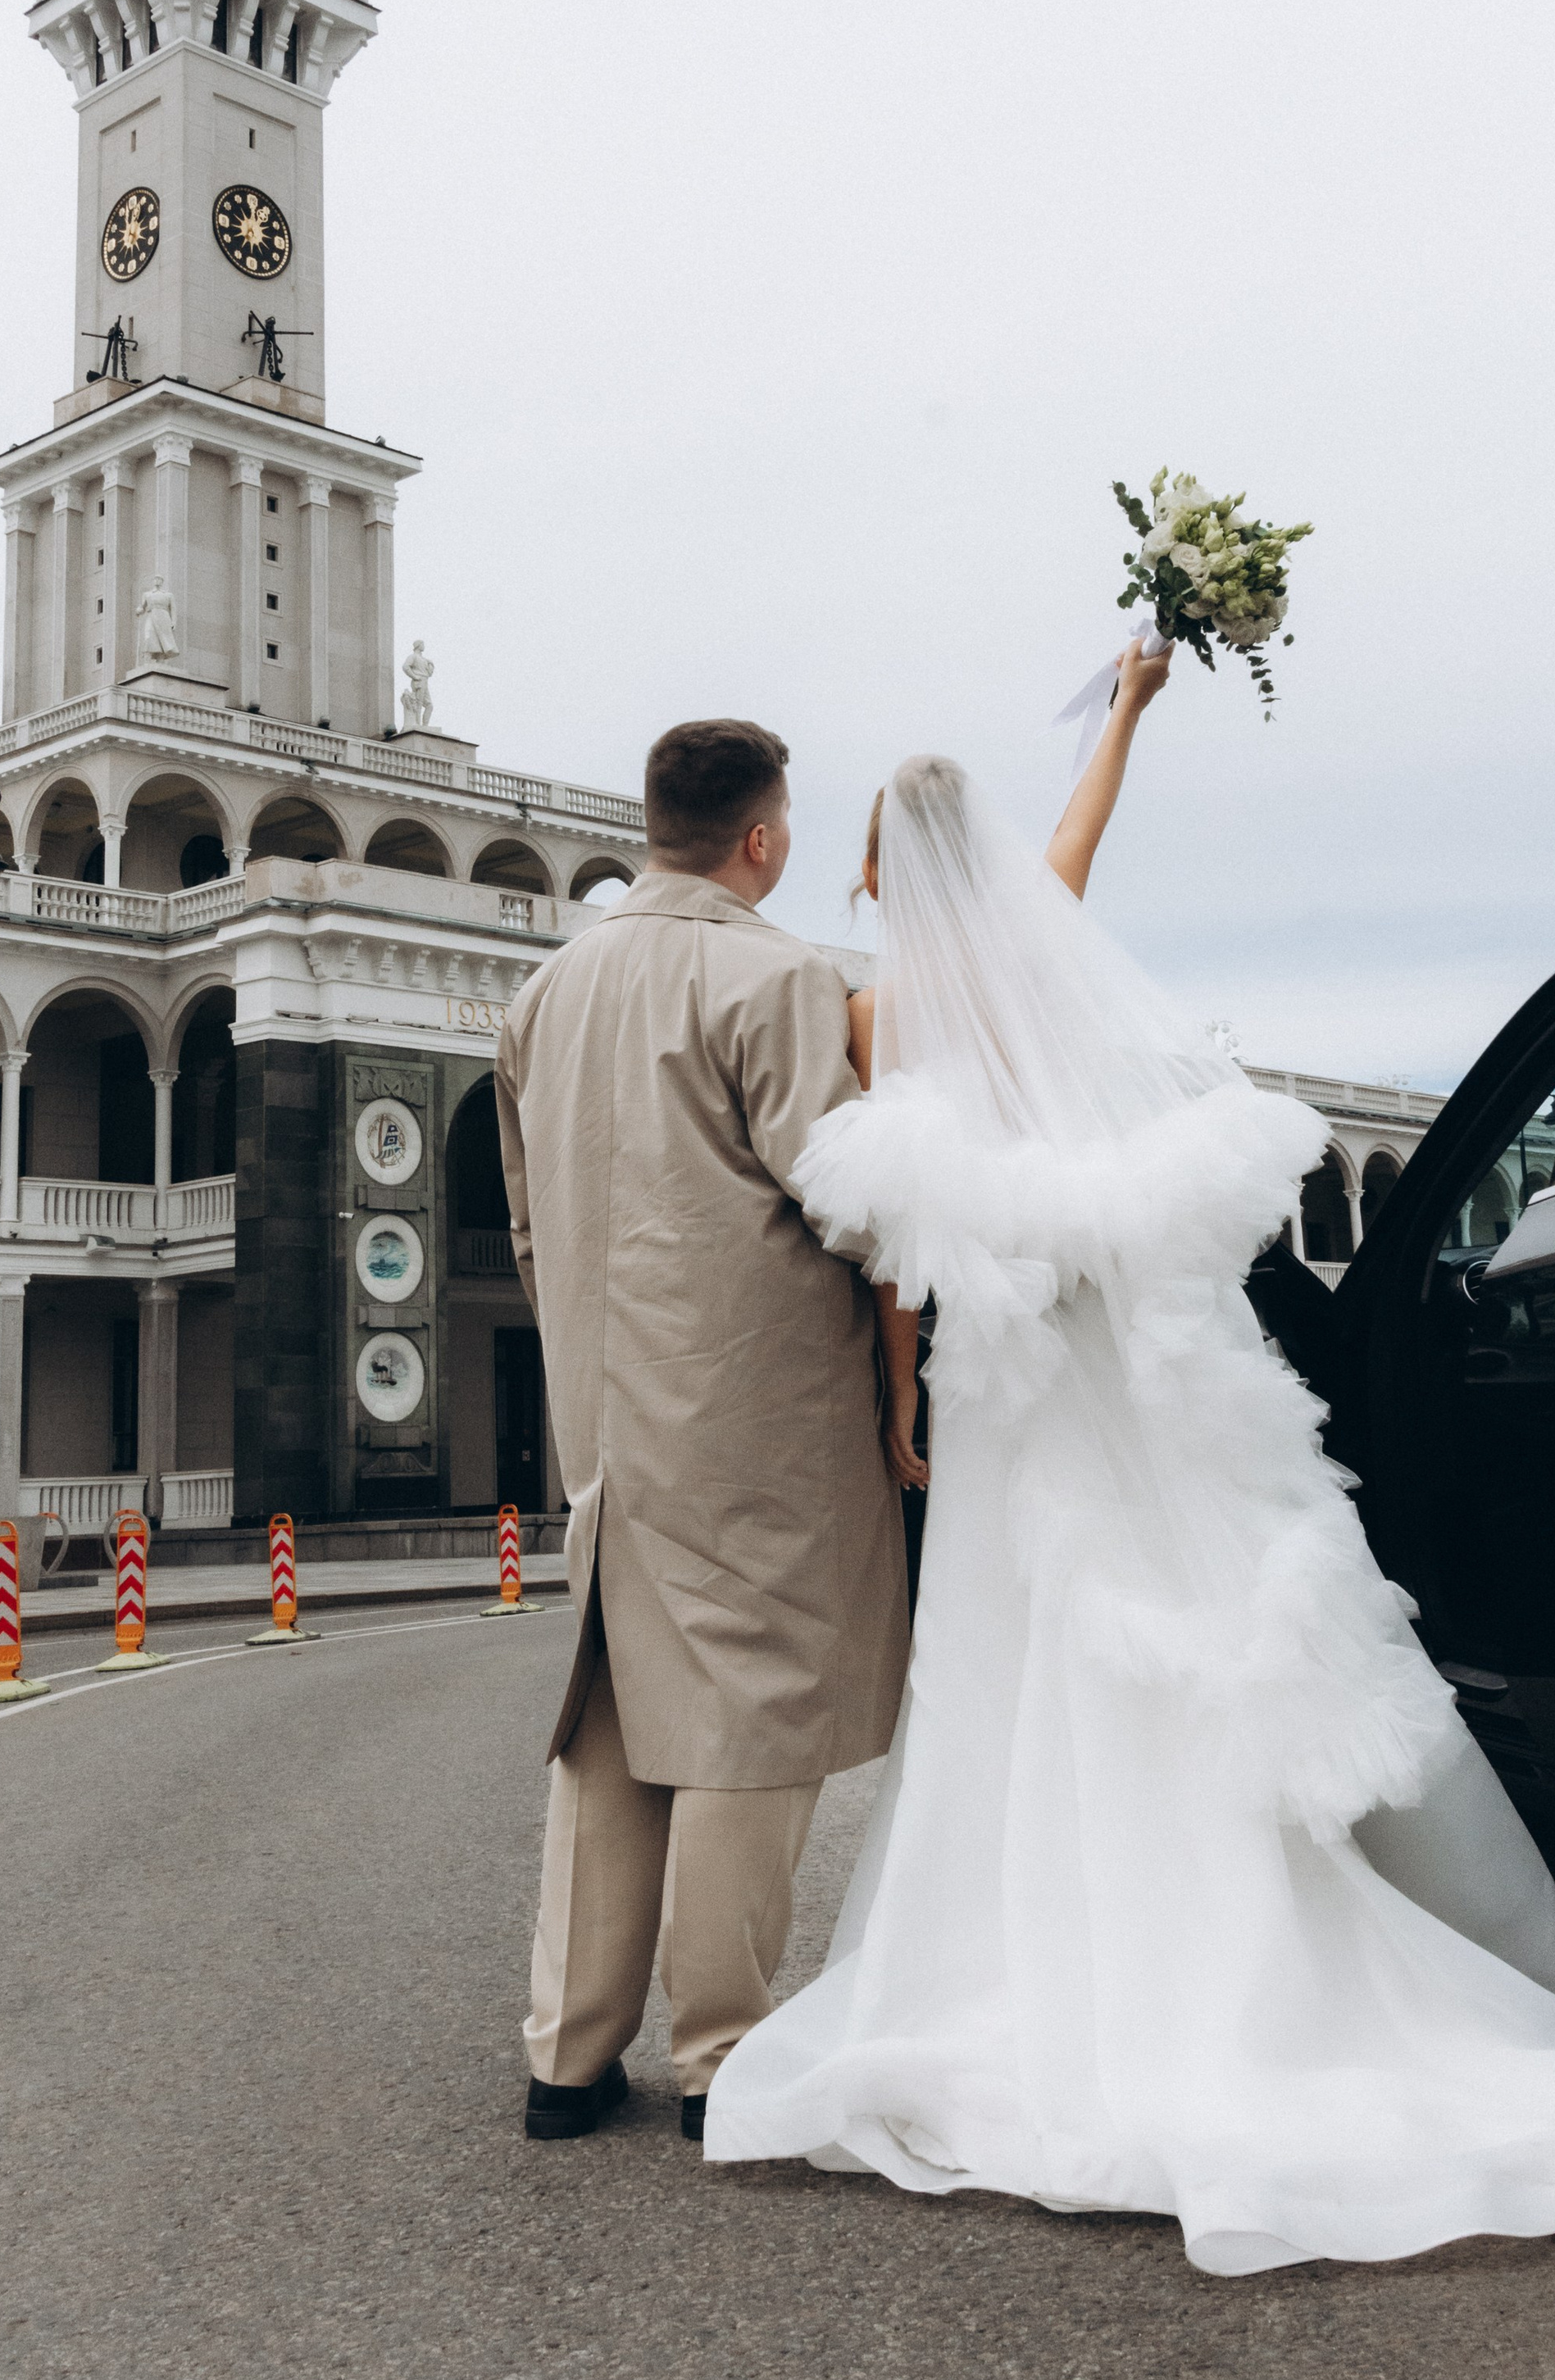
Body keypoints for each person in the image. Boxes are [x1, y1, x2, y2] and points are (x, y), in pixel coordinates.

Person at [704, 646, 1555, 2273]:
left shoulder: (884, 1012)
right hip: (1118, 1368)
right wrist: (1126, 707)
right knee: (1175, 1630)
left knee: (1025, 1657)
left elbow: (910, 1253)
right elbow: (1077, 840)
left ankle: (1058, 1965)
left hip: (1007, 1383)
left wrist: (899, 1403)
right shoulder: (1046, 961)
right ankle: (1259, 1928)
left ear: (882, 868)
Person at [494, 718, 910, 2146]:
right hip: (751, 1406)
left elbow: (531, 1224)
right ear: (762, 836)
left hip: (601, 1408)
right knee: (749, 1706)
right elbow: (848, 1197)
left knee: (607, 1715)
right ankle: (722, 2050)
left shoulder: (546, 992)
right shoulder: (777, 975)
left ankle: (568, 2050)